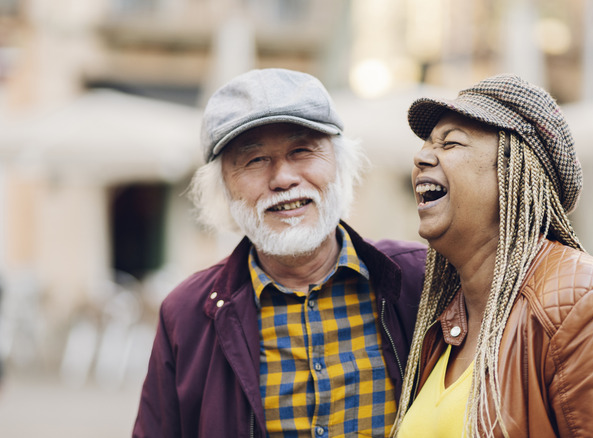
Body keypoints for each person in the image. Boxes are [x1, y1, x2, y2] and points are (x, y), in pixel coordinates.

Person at [133, 68, 427, 437]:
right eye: (254, 160)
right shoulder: (187, 314)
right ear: (224, 187)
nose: (283, 178)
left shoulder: (418, 280)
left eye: (302, 150)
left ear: (339, 162)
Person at [392, 74, 593, 437]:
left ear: (515, 172)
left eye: (451, 143)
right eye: (428, 143)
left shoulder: (585, 303)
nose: (421, 156)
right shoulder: (444, 320)